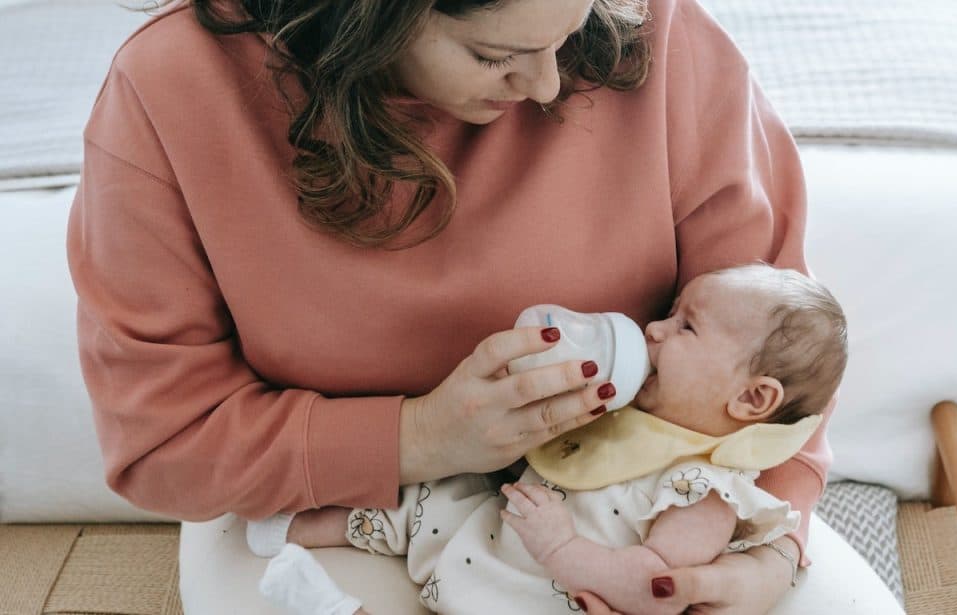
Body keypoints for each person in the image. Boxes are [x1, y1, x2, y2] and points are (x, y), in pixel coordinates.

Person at [66, 0, 903, 612]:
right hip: (323, 506)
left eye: (566, 36)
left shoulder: (660, 34)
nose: (545, 87)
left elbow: (782, 351)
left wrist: (775, 540)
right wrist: (422, 436)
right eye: (494, 52)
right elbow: (163, 442)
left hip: (639, 502)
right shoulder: (174, 93)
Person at [249, 264, 846, 615]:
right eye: (668, 312)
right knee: (437, 496)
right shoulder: (637, 412)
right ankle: (298, 525)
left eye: (685, 325)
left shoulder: (707, 491)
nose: (653, 330)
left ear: (752, 400)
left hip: (541, 593)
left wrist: (561, 549)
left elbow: (654, 588)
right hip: (493, 533)